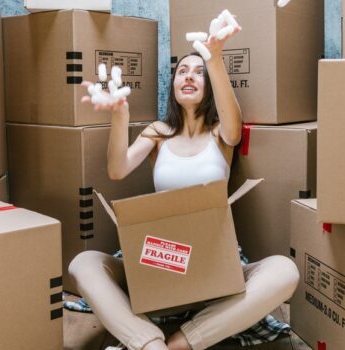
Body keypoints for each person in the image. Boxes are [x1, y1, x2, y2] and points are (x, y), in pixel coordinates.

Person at [69, 25, 299, 350]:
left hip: (213, 261)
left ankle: (182, 342)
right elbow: (117, 169)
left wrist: (214, 58)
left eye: (198, 72)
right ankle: (149, 344)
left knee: (284, 270)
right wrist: (120, 115)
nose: (189, 77)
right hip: (160, 257)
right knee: (83, 264)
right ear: (173, 84)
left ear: (210, 85)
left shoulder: (221, 134)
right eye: (182, 71)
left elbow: (234, 128)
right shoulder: (158, 132)